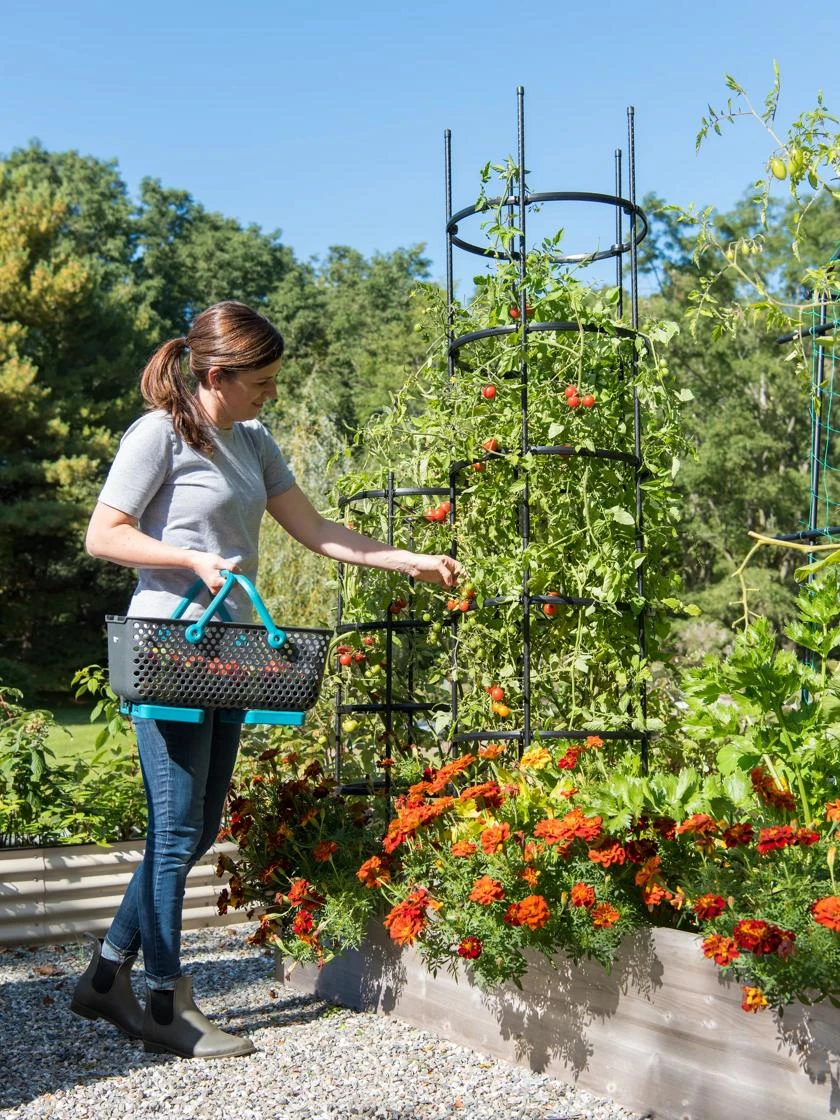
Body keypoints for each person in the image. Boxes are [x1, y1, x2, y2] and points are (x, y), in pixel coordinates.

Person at [70, 300, 462, 1059]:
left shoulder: (252, 440)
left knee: (197, 828)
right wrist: (190, 559)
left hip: (229, 653)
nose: (272, 393)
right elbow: (103, 533)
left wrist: (406, 560)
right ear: (218, 375)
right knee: (175, 829)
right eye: (263, 381)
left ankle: (106, 975)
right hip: (167, 650)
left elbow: (314, 530)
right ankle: (164, 1003)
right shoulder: (159, 434)